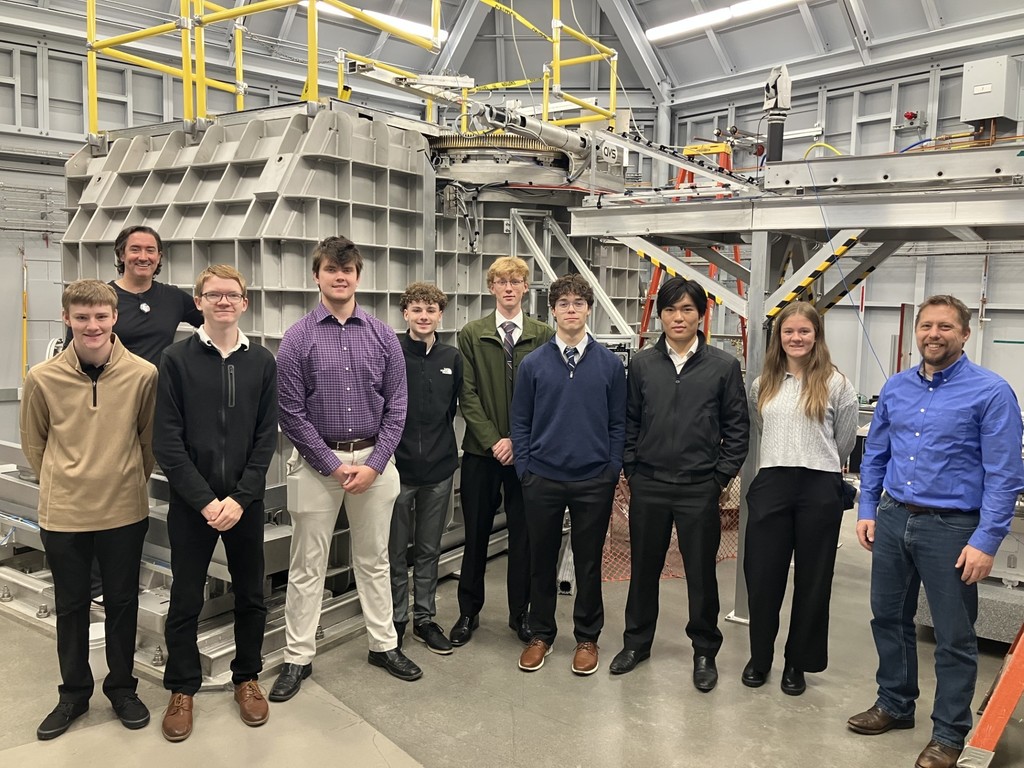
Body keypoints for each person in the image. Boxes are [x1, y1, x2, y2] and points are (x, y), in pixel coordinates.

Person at [848, 295, 1024, 768]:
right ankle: (894, 704)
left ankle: (948, 732)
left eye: (946, 326)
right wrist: (867, 508)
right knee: (887, 619)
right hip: (893, 518)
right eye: (927, 325)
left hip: (952, 527)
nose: (934, 334)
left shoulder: (991, 392)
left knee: (953, 635)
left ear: (965, 334)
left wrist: (986, 541)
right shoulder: (897, 388)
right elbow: (876, 453)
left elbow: (1005, 475)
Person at [270, 236, 420, 701]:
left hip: (375, 462)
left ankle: (383, 644)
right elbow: (290, 411)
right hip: (317, 466)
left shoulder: (382, 336)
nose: (340, 276)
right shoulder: (297, 338)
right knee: (306, 565)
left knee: (374, 559)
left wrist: (374, 464)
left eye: (348, 269)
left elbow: (397, 407)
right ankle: (298, 657)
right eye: (331, 269)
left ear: (358, 276)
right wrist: (332, 466)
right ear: (317, 276)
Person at [21, 279, 158, 740]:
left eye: (101, 316)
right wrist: (63, 484)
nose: (92, 325)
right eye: (82, 317)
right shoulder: (42, 377)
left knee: (123, 603)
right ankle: (74, 695)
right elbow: (34, 443)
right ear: (67, 319)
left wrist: (123, 481)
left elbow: (148, 441)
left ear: (114, 318)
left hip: (124, 510)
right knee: (71, 606)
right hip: (63, 514)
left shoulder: (143, 374)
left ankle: (122, 688)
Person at [154, 265, 278, 742]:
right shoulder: (175, 359)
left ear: (245, 302)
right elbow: (166, 440)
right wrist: (206, 501)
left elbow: (267, 437)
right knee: (185, 598)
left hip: (245, 503)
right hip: (194, 503)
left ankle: (247, 677)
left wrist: (242, 496)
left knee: (251, 595)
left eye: (232, 295)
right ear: (199, 302)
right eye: (213, 295)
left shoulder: (262, 361)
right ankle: (181, 688)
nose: (223, 302)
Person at [610, 276, 749, 692]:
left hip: (697, 487)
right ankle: (636, 643)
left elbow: (737, 429)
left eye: (687, 309)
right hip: (648, 483)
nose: (678, 317)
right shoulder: (642, 364)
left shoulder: (723, 366)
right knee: (643, 570)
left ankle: (705, 651)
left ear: (701, 314)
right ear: (660, 316)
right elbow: (630, 421)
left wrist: (718, 478)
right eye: (670, 309)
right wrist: (632, 470)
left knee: (701, 575)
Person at [511, 274, 626, 675]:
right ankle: (541, 633)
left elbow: (618, 423)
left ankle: (587, 637)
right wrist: (525, 468)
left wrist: (611, 469)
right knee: (541, 560)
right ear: (553, 311)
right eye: (563, 303)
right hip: (541, 477)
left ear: (588, 309)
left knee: (589, 562)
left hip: (594, 479)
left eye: (578, 302)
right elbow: (520, 421)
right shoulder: (533, 364)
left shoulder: (610, 364)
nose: (571, 309)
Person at [742, 302, 858, 695]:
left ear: (816, 336)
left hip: (819, 487)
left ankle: (797, 663)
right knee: (763, 578)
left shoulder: (837, 384)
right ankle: (760, 658)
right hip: (772, 482)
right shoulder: (763, 384)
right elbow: (761, 427)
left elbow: (843, 442)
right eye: (789, 332)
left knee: (813, 580)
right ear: (780, 337)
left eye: (804, 332)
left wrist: (816, 465)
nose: (796, 338)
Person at [450, 256, 554, 646]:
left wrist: (517, 440)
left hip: (527, 456)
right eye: (501, 282)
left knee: (524, 539)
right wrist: (495, 439)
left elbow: (545, 393)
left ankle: (520, 615)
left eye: (515, 281)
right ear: (491, 287)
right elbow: (467, 393)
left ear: (526, 288)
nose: (508, 288)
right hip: (481, 453)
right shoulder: (471, 334)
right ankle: (467, 613)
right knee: (474, 536)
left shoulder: (543, 334)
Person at [389, 282, 463, 654]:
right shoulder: (391, 353)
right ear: (405, 314)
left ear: (439, 316)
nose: (423, 316)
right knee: (395, 551)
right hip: (395, 469)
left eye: (430, 310)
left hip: (439, 468)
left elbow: (453, 410)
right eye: (416, 309)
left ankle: (424, 619)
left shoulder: (452, 357)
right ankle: (395, 621)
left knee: (430, 549)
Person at [64, 226, 203, 366]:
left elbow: (213, 324)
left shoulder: (174, 297)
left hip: (159, 386)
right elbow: (69, 355)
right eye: (135, 249)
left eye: (150, 250)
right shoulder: (100, 298)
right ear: (121, 255)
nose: (143, 257)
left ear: (159, 256)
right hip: (113, 385)